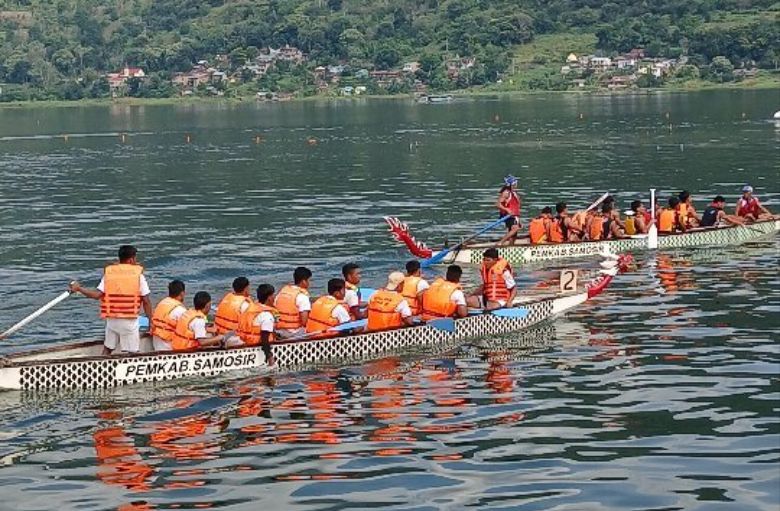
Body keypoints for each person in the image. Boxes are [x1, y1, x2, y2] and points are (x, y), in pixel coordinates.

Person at [69, 245, 153, 356]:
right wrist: (151, 321)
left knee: (108, 348)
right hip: (128, 321)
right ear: (131, 259)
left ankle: (100, 369)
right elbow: (146, 301)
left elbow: (96, 295)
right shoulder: (138, 276)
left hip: (112, 320)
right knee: (133, 353)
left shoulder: (109, 274)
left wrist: (79, 289)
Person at [236, 284, 278, 364]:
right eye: (273, 295)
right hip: (257, 348)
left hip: (245, 341)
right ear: (269, 298)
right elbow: (264, 339)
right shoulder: (267, 316)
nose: (274, 298)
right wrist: (270, 357)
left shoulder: (252, 308)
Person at [274, 266, 312, 339]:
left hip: (278, 330)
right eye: (309, 280)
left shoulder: (282, 292)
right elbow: (304, 322)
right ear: (304, 281)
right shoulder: (302, 296)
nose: (310, 283)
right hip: (294, 333)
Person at [151, 280, 187, 352]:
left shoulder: (162, 303)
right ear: (182, 293)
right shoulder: (180, 310)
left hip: (156, 343)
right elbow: (189, 328)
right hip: (168, 346)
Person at [496, 175, 522, 246]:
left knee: (514, 234)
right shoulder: (506, 193)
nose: (516, 185)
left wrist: (519, 219)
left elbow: (517, 206)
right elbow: (498, 204)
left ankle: (511, 246)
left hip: (514, 215)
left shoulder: (514, 193)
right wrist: (506, 209)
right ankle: (501, 242)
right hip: (509, 215)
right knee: (515, 229)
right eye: (515, 183)